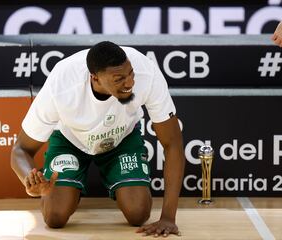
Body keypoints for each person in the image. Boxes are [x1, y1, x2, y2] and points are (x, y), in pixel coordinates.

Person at [11, 41, 185, 237]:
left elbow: (173, 143)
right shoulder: (62, 84)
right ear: (94, 78)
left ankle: (86, 185)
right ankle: (68, 190)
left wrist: (168, 218)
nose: (129, 83)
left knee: (138, 212)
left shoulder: (146, 72)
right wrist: (29, 181)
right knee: (55, 217)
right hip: (70, 140)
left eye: (130, 74)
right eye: (119, 79)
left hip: (122, 138)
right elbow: (20, 149)